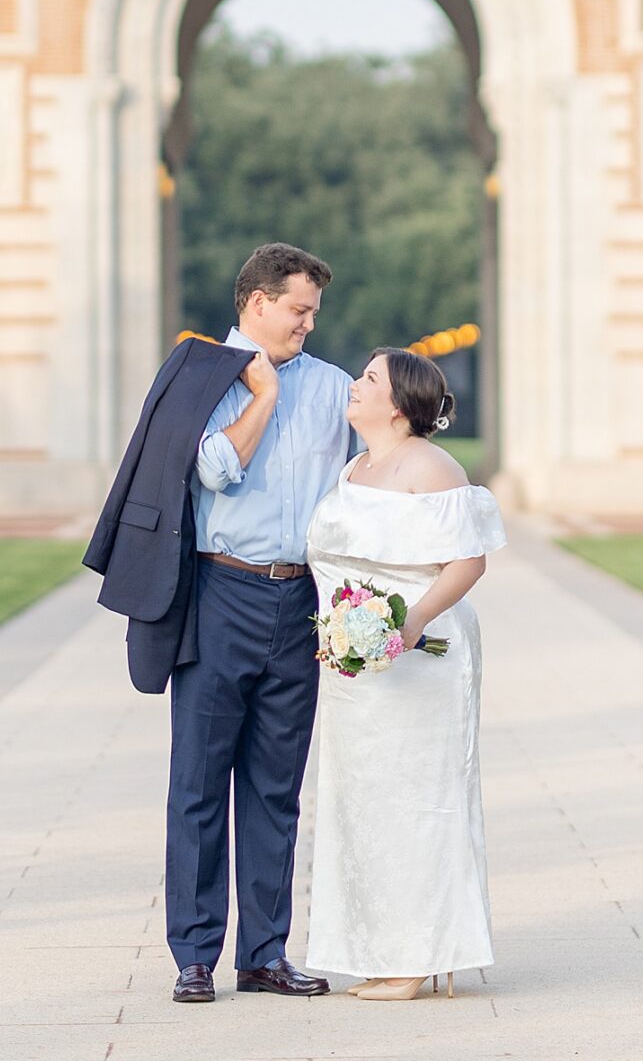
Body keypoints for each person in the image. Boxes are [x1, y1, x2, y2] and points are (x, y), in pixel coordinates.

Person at [161, 243, 356, 1005]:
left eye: (313, 312)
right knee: (199, 782)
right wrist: (264, 398)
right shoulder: (201, 375)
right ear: (256, 303)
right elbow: (212, 469)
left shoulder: (335, 386)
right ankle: (195, 954)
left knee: (277, 788)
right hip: (219, 594)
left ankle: (266, 952)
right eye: (298, 309)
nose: (308, 324)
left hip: (299, 601)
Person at [305, 346, 506, 1000]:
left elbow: (466, 561)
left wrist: (409, 622)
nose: (354, 385)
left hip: (420, 659)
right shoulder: (356, 466)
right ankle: (377, 947)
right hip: (353, 667)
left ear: (396, 404)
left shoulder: (430, 466)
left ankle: (420, 956)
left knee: (416, 801)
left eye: (368, 378)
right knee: (360, 804)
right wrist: (340, 634)